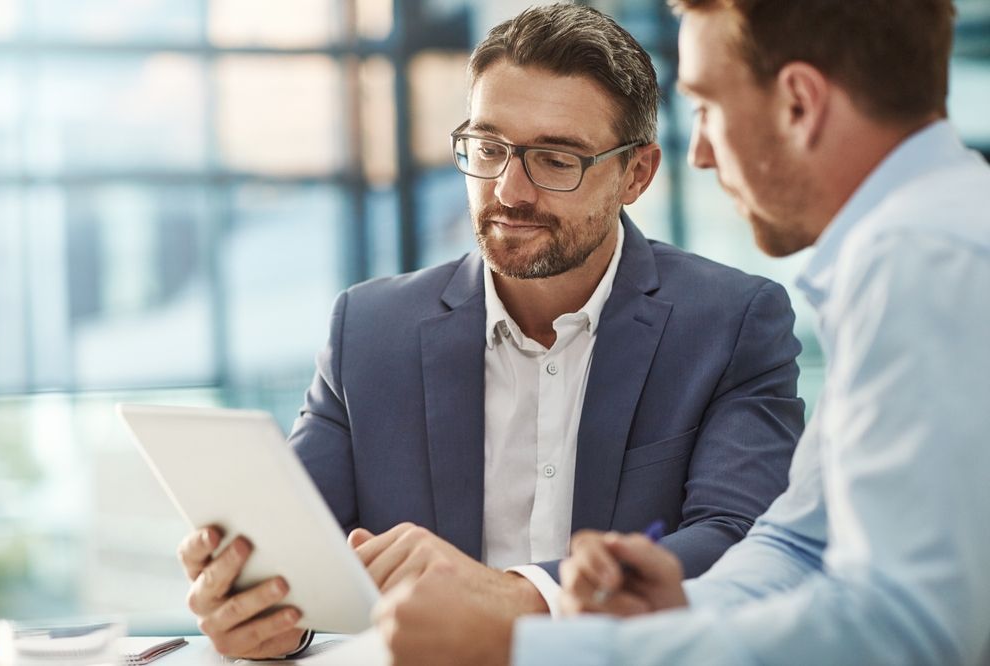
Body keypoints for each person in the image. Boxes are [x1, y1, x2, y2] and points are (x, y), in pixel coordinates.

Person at [175, 3, 807, 660]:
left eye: (556, 159)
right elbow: (302, 552)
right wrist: (262, 608)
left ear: (637, 174)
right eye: (489, 148)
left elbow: (741, 542)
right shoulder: (368, 332)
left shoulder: (732, 323)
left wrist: (525, 597)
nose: (508, 190)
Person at [371, 0, 990, 664]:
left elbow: (906, 630)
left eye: (707, 106)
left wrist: (525, 646)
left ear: (799, 105)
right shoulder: (923, 239)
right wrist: (677, 608)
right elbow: (801, 543)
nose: (698, 152)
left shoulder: (924, 258)